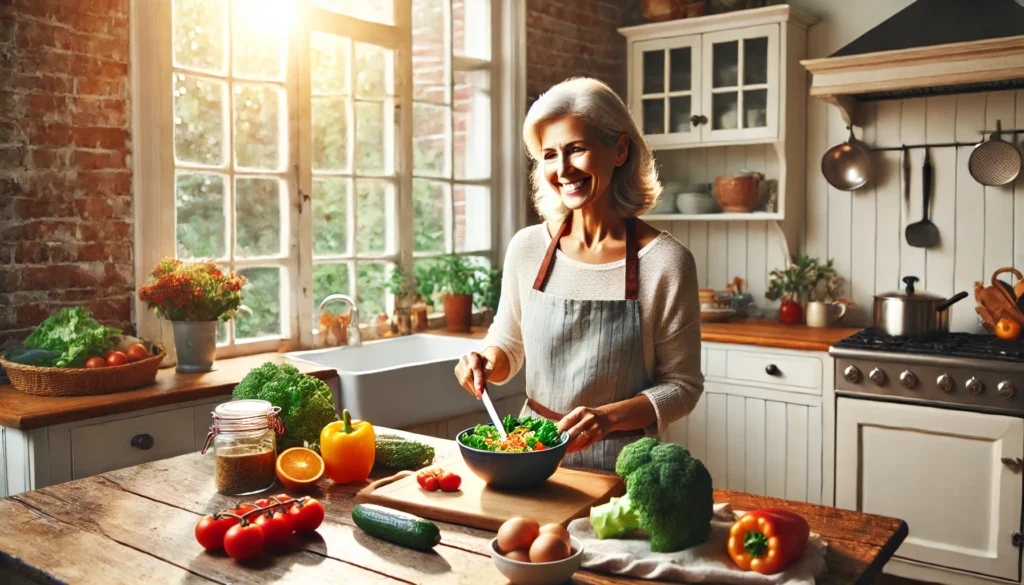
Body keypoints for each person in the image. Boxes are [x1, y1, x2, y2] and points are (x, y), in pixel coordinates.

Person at [454, 77, 703, 471]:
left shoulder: (666, 262)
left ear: (619, 150)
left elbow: (682, 388)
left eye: (576, 150)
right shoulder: (528, 248)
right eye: (549, 155)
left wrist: (607, 419)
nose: (563, 169)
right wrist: (484, 361)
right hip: (530, 460)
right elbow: (508, 346)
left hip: (623, 469)